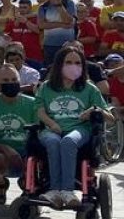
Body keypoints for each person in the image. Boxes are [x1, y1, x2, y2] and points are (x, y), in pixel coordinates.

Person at [35, 46, 113, 207]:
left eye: (77, 63)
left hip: (79, 129)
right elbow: (40, 111)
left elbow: (110, 118)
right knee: (53, 141)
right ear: (59, 64)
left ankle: (67, 191)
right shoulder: (47, 87)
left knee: (69, 141)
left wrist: (94, 109)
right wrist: (52, 124)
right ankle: (54, 190)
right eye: (68, 62)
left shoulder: (89, 88)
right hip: (52, 128)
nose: (73, 66)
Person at [0, 65, 37, 204]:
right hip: (0, 150)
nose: (11, 83)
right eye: (6, 80)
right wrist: (5, 149)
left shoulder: (32, 103)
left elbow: (39, 130)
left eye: (14, 79)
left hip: (26, 150)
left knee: (34, 159)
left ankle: (28, 183)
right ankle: (0, 182)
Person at [37, 0, 77, 67]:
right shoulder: (43, 7)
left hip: (68, 44)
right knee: (51, 69)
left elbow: (69, 21)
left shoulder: (69, 3)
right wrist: (62, 25)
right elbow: (41, 25)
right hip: (49, 45)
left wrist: (59, 6)